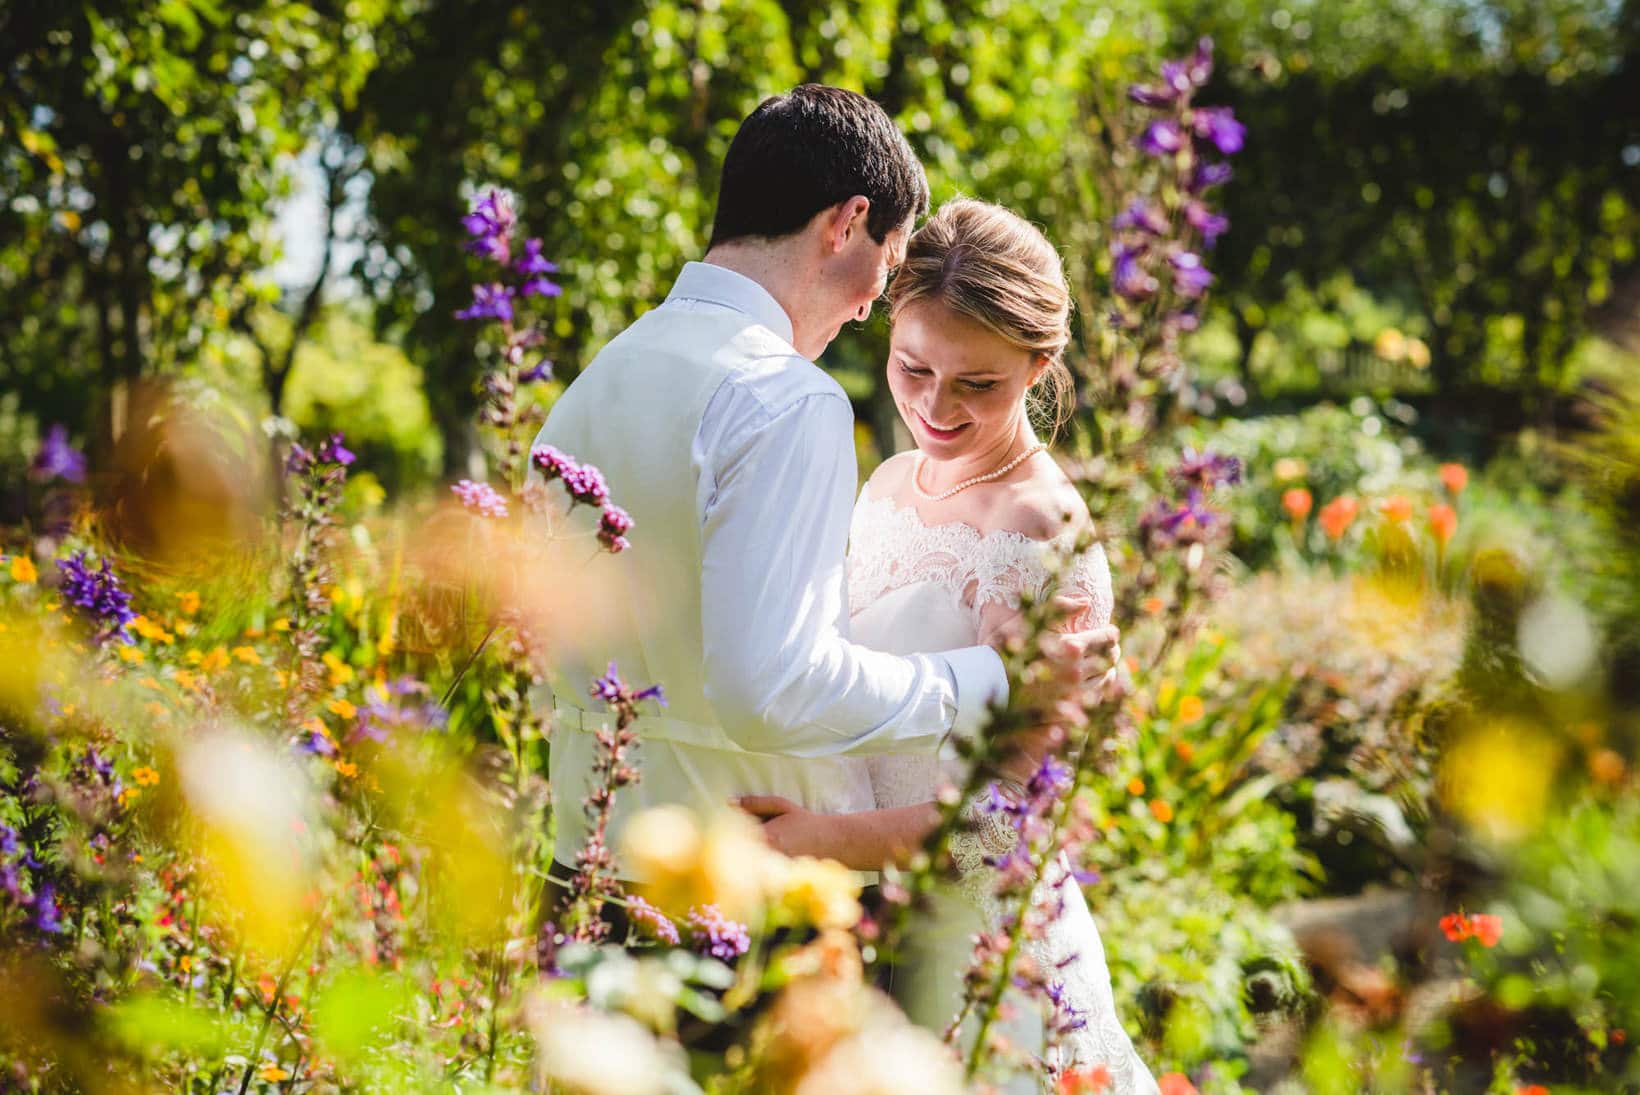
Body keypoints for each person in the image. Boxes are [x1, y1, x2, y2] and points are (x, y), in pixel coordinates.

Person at [529, 87, 1118, 911]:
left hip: (584, 866)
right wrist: (994, 677)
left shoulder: (595, 381)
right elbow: (769, 685)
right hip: (734, 893)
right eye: (885, 264)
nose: (870, 301)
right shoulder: (785, 398)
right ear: (846, 224)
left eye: (975, 381)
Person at [738, 200, 1158, 1093]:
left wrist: (824, 840)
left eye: (980, 384)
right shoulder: (889, 481)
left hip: (980, 950)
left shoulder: (1040, 528)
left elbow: (1012, 822)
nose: (935, 405)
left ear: (1039, 367)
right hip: (863, 923)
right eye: (913, 366)